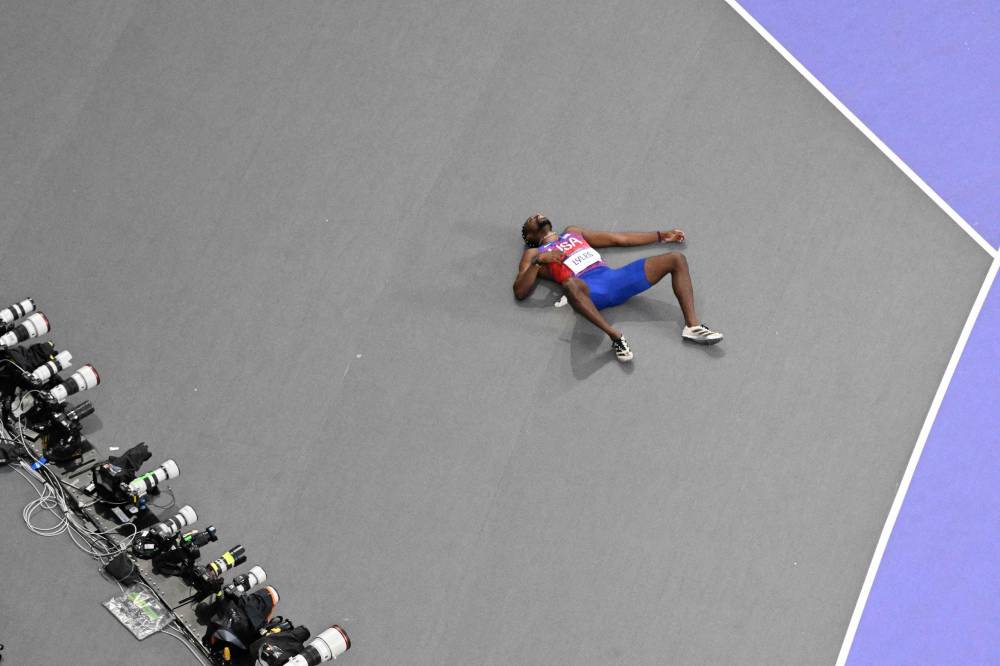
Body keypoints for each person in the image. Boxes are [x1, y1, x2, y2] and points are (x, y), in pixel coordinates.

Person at [513, 213, 723, 361]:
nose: (537, 215)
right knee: (569, 284)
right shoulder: (533, 254)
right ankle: (616, 337)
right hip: (589, 291)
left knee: (676, 259)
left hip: (614, 279)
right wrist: (539, 260)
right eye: (531, 219)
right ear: (529, 237)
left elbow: (617, 239)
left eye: (537, 215)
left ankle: (693, 327)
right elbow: (520, 291)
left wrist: (661, 235)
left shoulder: (573, 232)